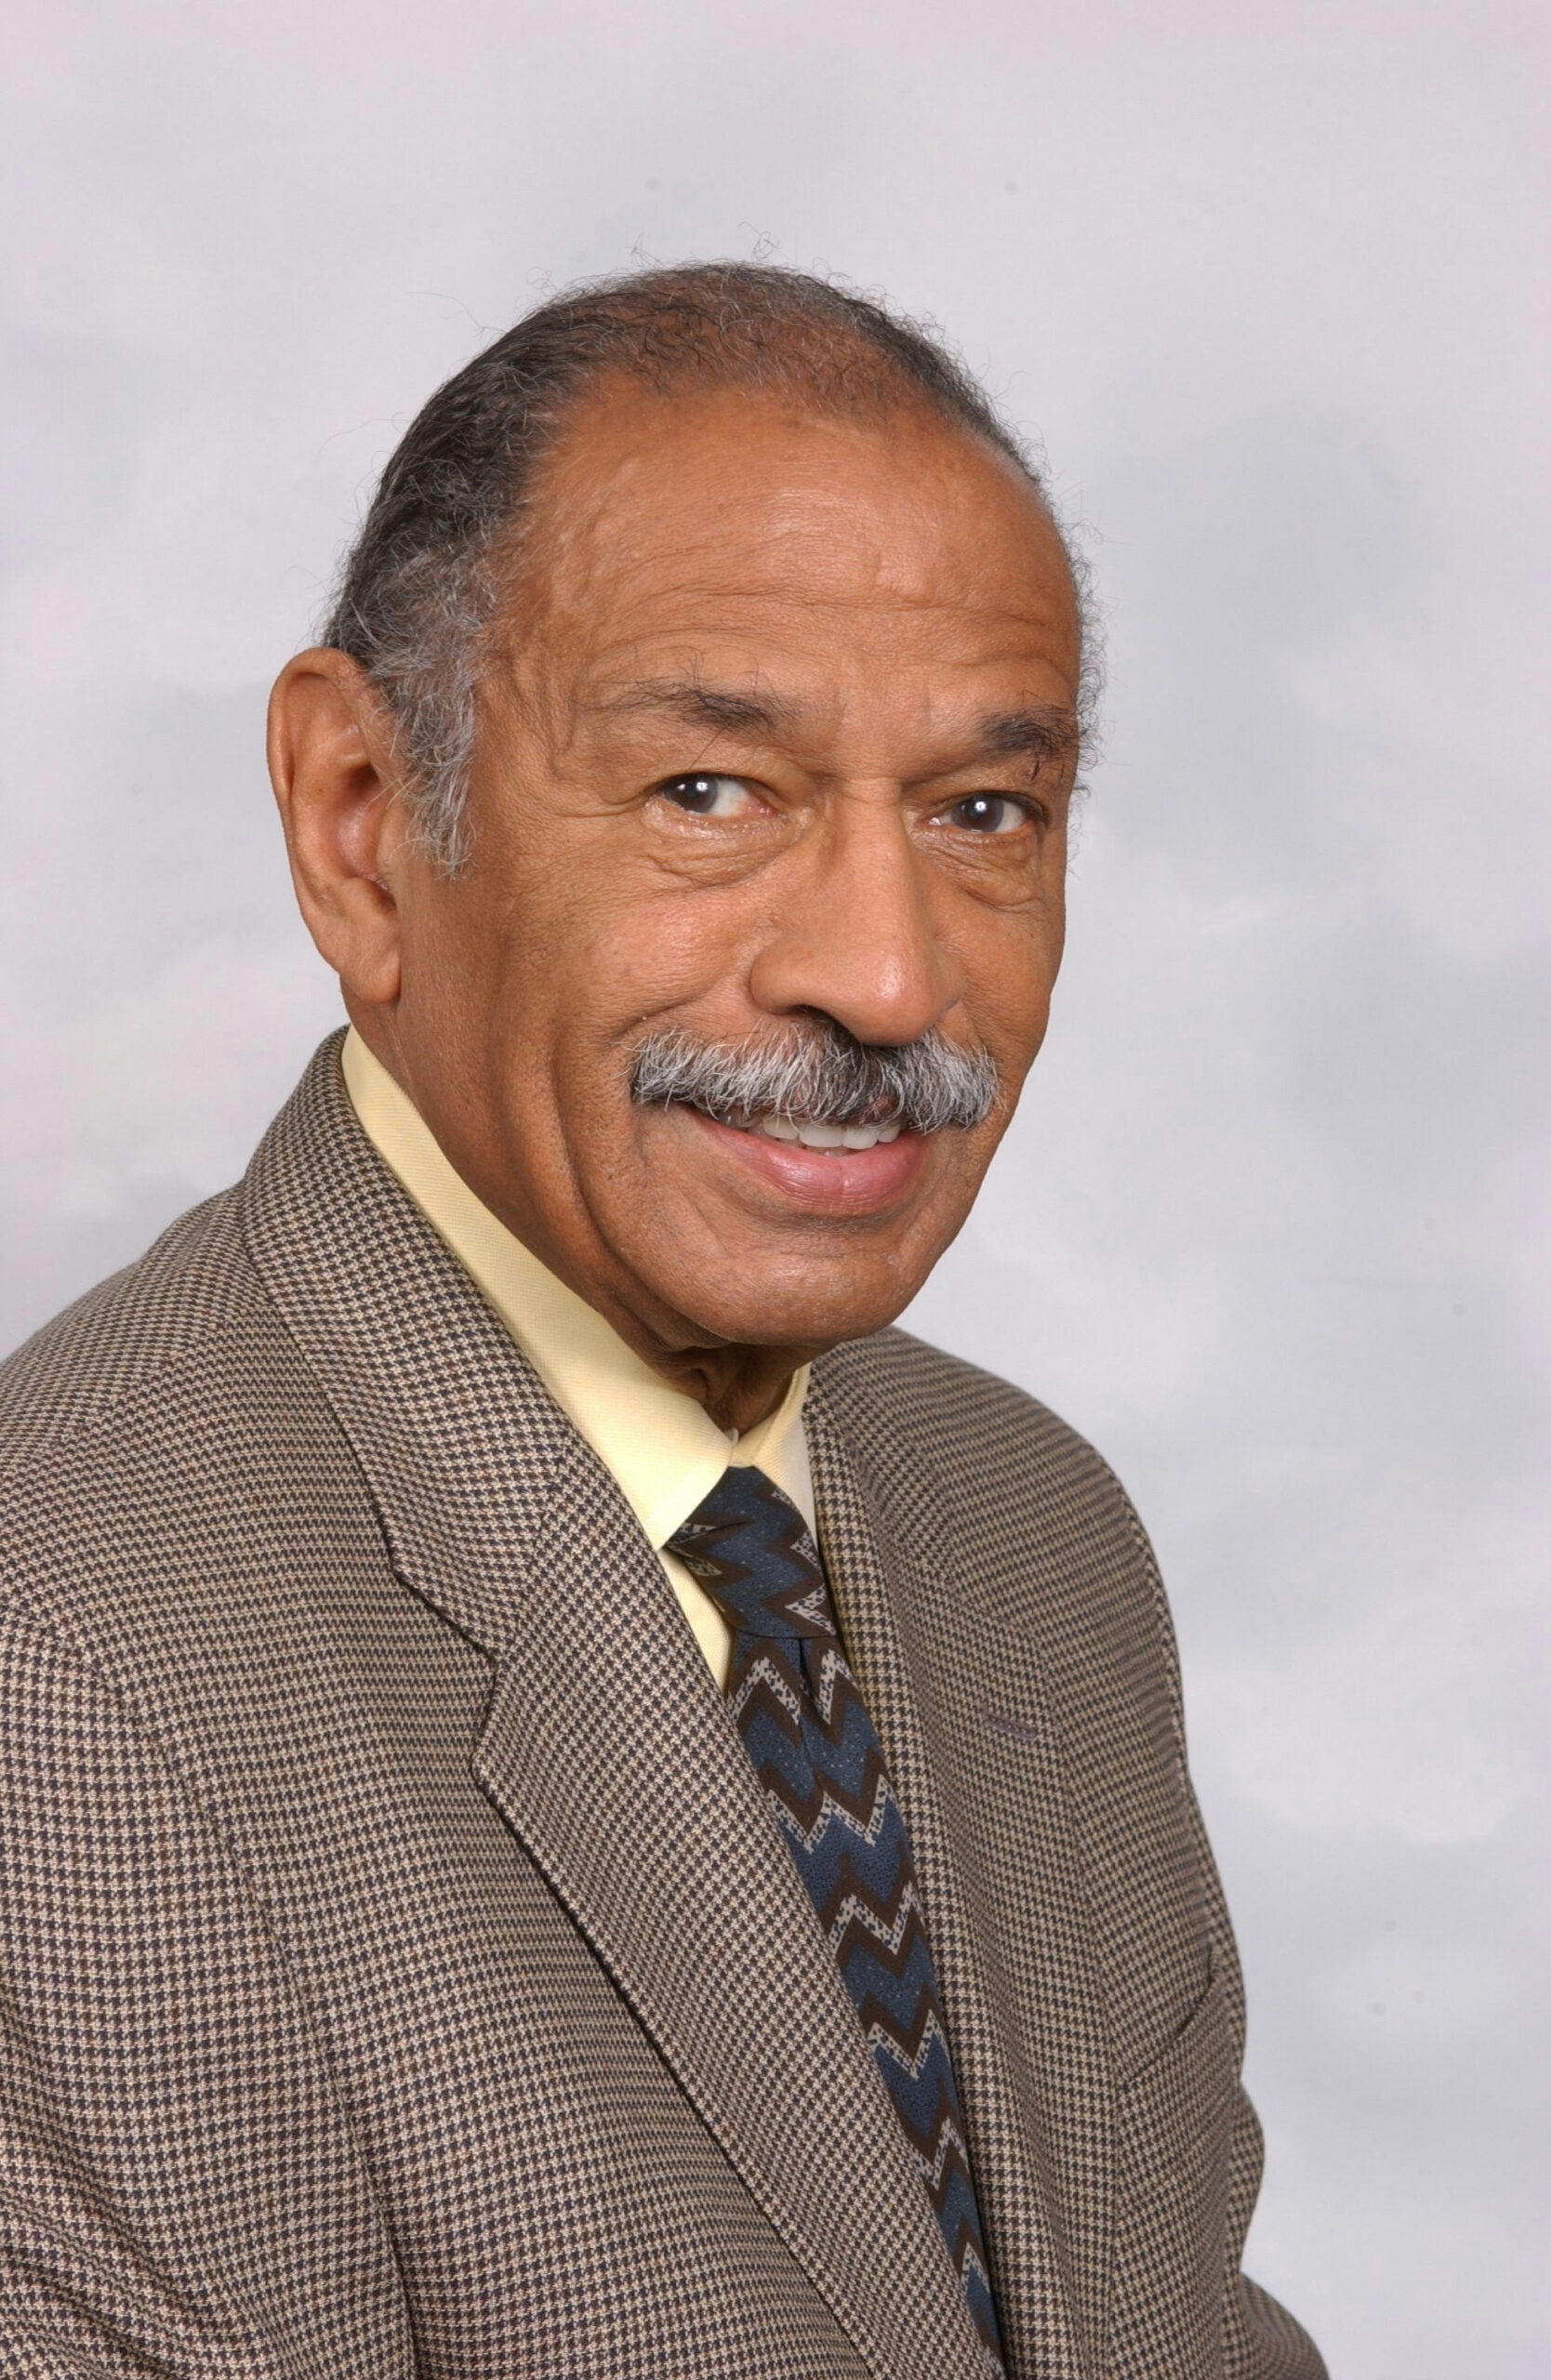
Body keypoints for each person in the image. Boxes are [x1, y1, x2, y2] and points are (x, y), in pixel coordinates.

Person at [0, 263, 1324, 2380]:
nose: (887, 976)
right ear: (360, 825)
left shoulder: (1033, 1527)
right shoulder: (64, 1660)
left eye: (984, 811)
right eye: (712, 790)